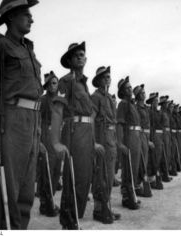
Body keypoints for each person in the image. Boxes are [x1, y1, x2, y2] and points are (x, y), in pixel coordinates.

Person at [0, 0, 43, 229]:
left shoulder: (29, 50)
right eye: (26, 14)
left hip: (32, 125)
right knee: (6, 196)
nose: (31, 18)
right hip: (10, 122)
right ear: (11, 16)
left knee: (26, 196)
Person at [50, 42, 104, 229]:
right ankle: (69, 222)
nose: (80, 57)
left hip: (86, 134)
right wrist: (55, 142)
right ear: (70, 61)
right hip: (74, 132)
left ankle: (75, 218)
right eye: (76, 55)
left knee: (85, 178)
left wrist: (94, 142)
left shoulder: (83, 84)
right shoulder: (66, 81)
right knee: (74, 178)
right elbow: (57, 111)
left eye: (82, 54)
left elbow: (90, 117)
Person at [91, 66, 121, 223]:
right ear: (98, 81)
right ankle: (99, 209)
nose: (107, 79)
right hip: (101, 136)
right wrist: (94, 142)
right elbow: (91, 118)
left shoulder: (109, 97)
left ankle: (105, 206)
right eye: (104, 77)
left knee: (109, 175)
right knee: (101, 174)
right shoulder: (95, 97)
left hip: (111, 136)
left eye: (108, 76)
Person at [37, 71, 61, 217]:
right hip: (46, 135)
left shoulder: (59, 100)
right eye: (51, 83)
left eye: (55, 83)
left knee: (56, 171)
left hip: (57, 137)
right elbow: (38, 121)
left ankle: (50, 200)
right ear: (46, 85)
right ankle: (44, 204)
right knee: (46, 171)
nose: (53, 86)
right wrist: (39, 140)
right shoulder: (42, 100)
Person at [116, 77, 141, 209]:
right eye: (127, 88)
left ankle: (132, 194)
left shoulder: (132, 104)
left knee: (135, 166)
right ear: (122, 91)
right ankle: (127, 196)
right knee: (128, 167)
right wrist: (120, 143)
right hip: (129, 137)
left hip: (136, 136)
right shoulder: (123, 104)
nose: (130, 89)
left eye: (131, 87)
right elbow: (119, 124)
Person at [133, 84, 153, 197]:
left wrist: (148, 139)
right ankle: (136, 184)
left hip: (146, 135)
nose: (144, 94)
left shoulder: (146, 108)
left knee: (144, 160)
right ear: (138, 95)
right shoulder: (136, 107)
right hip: (139, 134)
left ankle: (139, 183)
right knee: (139, 160)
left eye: (145, 92)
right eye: (142, 92)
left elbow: (148, 124)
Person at [146, 92, 164, 190]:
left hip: (158, 136)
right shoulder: (149, 112)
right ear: (151, 102)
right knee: (150, 158)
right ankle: (150, 179)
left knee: (157, 157)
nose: (156, 103)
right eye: (155, 101)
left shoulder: (159, 113)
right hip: (151, 134)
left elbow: (160, 125)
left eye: (157, 101)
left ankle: (154, 177)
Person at [158, 95, 173, 182]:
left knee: (167, 153)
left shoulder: (167, 113)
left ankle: (166, 173)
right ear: (163, 104)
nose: (167, 104)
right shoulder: (160, 113)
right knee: (163, 154)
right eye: (166, 103)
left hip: (168, 132)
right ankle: (163, 174)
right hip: (163, 133)